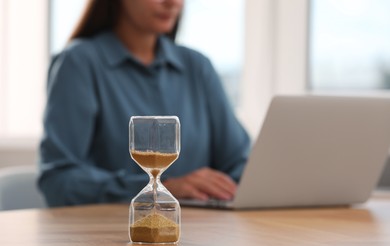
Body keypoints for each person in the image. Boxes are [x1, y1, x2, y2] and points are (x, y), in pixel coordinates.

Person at [38, 0, 250, 207]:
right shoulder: (79, 63)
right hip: (109, 233)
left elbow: (241, 161)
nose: (172, 3)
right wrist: (160, 188)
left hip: (202, 231)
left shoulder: (197, 66)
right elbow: (58, 181)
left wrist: (229, 188)